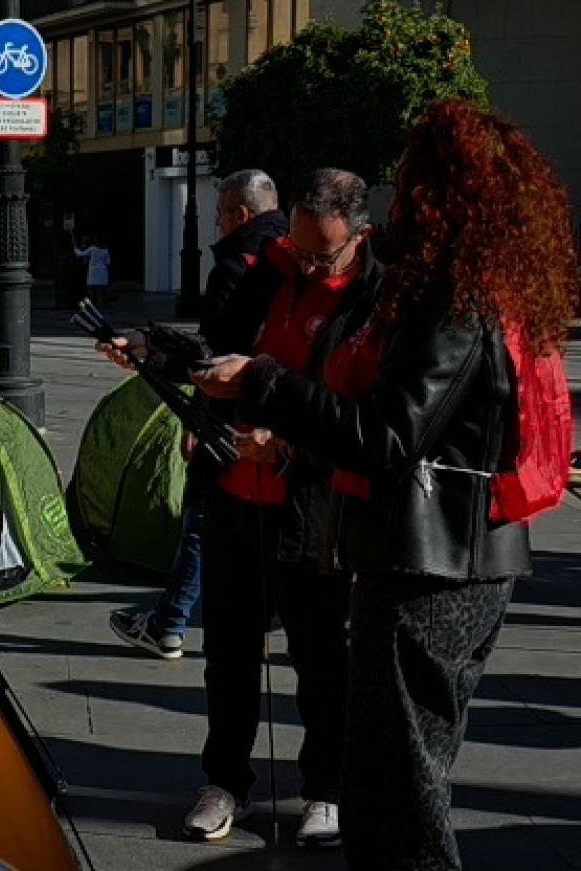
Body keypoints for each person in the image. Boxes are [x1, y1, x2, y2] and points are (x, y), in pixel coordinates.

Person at [191, 102, 577, 870]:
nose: (397, 200)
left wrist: (267, 382)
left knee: (399, 788)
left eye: (409, 182)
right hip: (452, 558)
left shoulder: (455, 298)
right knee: (396, 779)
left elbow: (387, 434)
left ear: (442, 193)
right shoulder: (474, 286)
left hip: (429, 568)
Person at [102, 169, 384, 846]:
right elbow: (217, 346)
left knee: (322, 657)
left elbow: (366, 424)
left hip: (311, 504)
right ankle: (224, 779)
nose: (309, 261)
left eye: (326, 254)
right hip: (234, 488)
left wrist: (287, 450)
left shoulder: (378, 297)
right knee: (228, 651)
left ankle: (325, 789)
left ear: (361, 236)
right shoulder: (269, 267)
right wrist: (153, 350)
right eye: (301, 245)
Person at [109, 169, 288, 659]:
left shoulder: (236, 265)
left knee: (203, 515)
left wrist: (195, 415)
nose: (216, 224)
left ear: (240, 214)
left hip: (232, 415)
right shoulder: (295, 257)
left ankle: (170, 623)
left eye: (219, 214)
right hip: (284, 413)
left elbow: (217, 359)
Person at [73, 234, 112, 306]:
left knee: (91, 289)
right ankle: (103, 303)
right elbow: (108, 263)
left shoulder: (92, 249)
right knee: (101, 289)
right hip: (102, 271)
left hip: (93, 271)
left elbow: (81, 254)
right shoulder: (105, 250)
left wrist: (75, 249)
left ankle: (93, 304)